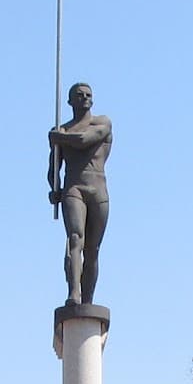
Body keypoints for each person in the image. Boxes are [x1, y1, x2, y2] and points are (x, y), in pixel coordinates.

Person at [48, 81, 112, 306]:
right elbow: (53, 169)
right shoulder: (62, 131)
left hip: (98, 191)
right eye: (79, 95)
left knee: (93, 250)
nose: (84, 97)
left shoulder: (102, 123)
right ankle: (73, 292)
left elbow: (85, 140)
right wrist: (55, 189)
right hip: (74, 188)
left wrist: (58, 138)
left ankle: (87, 300)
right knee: (76, 238)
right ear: (70, 101)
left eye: (88, 94)